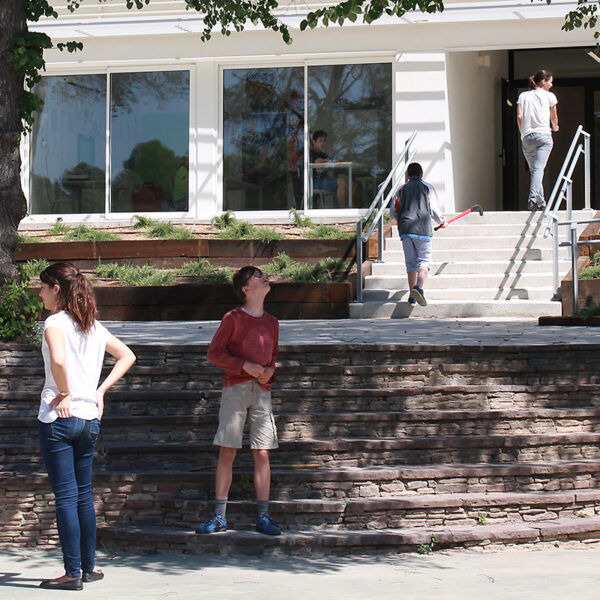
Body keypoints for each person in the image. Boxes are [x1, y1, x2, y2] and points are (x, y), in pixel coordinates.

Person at [37, 262, 136, 591]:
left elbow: (59, 361)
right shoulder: (92, 326)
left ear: (56, 289)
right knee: (83, 495)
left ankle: (72, 573)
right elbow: (127, 356)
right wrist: (99, 391)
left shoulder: (54, 323)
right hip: (89, 419)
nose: (39, 293)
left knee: (65, 497)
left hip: (59, 419)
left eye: (43, 287)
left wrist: (64, 392)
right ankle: (89, 567)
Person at [195, 266, 281, 536]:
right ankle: (219, 516)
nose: (264, 277)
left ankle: (264, 516)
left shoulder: (272, 322)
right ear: (246, 289)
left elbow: (273, 357)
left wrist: (269, 372)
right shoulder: (233, 318)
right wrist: (244, 365)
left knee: (263, 451)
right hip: (235, 389)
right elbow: (214, 354)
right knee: (228, 449)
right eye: (257, 275)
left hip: (262, 392)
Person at [390, 162, 447, 307]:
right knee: (424, 261)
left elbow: (393, 211)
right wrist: (442, 221)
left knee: (411, 263)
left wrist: (401, 220)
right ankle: (418, 288)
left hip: (406, 230)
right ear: (421, 175)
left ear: (407, 176)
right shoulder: (427, 188)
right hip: (423, 230)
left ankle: (412, 298)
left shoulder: (401, 189)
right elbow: (434, 209)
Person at [517, 69, 559, 211]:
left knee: (535, 170)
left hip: (527, 137)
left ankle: (541, 203)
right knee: (538, 170)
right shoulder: (550, 96)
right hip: (543, 136)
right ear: (543, 81)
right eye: (550, 82)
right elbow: (553, 117)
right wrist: (556, 127)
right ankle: (533, 198)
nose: (551, 85)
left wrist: (523, 133)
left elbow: (519, 117)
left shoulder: (523, 96)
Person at [309, 130, 349, 208]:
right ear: (313, 142)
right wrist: (329, 161)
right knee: (342, 182)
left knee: (347, 182)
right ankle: (343, 209)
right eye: (320, 141)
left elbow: (332, 160)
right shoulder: (310, 153)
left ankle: (345, 207)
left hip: (324, 180)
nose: (323, 143)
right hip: (314, 182)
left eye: (324, 141)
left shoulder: (322, 154)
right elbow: (318, 161)